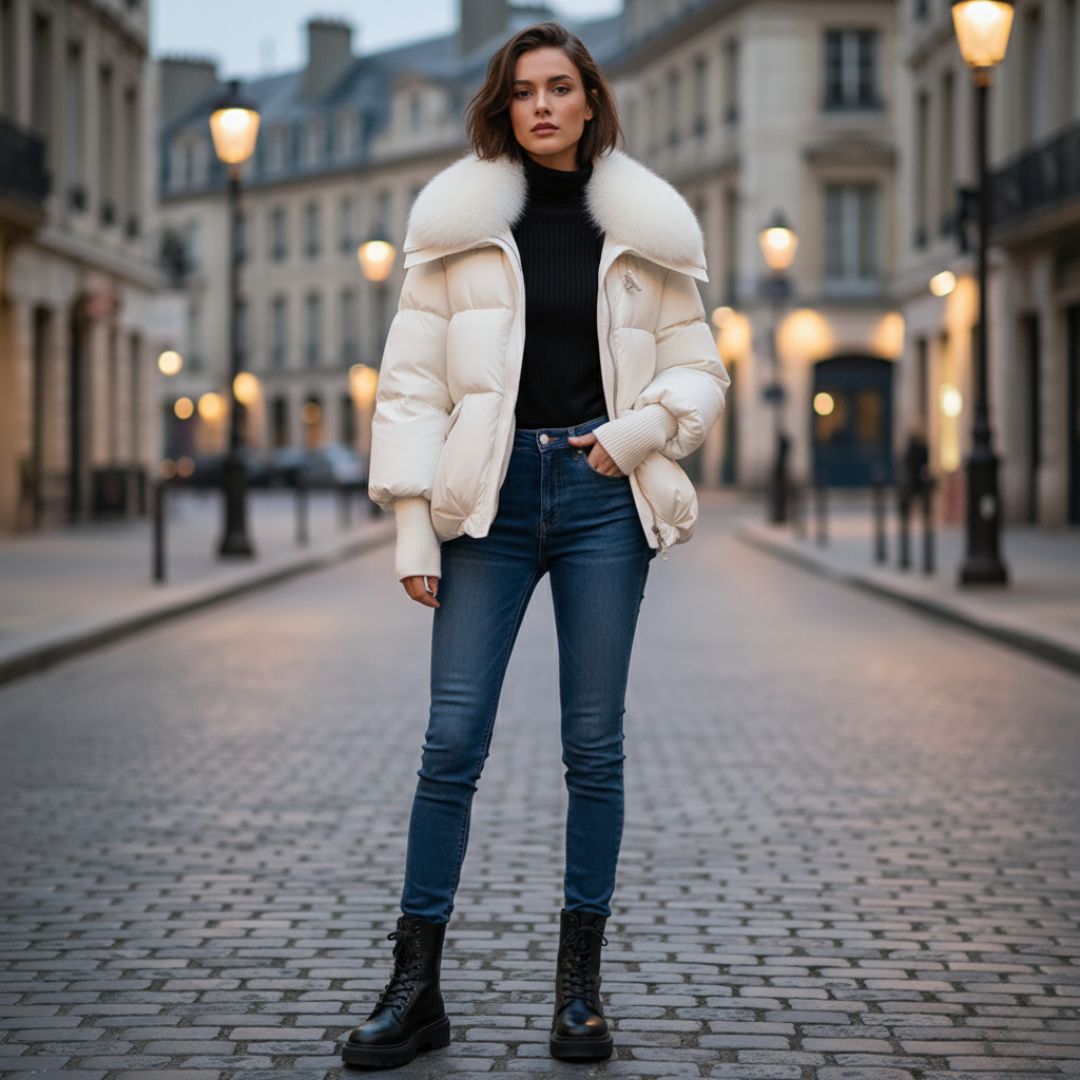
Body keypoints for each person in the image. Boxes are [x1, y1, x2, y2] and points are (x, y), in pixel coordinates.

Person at [341, 20, 730, 1070]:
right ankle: (415, 988)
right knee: (452, 741)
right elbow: (413, 386)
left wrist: (636, 434)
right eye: (525, 91)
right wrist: (414, 524)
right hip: (490, 500)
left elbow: (698, 367)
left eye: (562, 87)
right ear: (504, 108)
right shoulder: (457, 231)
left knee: (591, 748)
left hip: (605, 498)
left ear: (591, 100)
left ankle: (578, 997)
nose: (545, 105)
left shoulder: (645, 228)